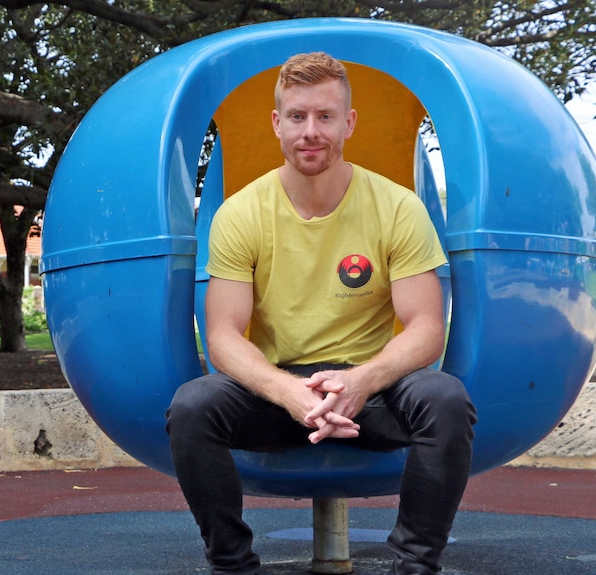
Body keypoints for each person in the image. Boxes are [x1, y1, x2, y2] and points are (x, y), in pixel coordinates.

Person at [165, 52, 477, 575]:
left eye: (325, 117)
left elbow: (426, 329)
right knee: (193, 407)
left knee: (444, 399)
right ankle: (232, 564)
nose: (311, 132)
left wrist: (360, 382)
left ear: (348, 122)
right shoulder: (241, 212)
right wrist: (288, 393)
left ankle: (416, 566)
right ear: (277, 123)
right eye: (297, 117)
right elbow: (222, 337)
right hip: (278, 393)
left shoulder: (398, 206)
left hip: (370, 390)